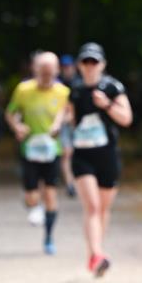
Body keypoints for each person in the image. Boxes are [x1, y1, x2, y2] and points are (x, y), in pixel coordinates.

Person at [67, 43, 133, 277]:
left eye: (94, 62)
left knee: (103, 210)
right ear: (79, 65)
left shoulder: (113, 87)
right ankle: (97, 254)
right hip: (83, 155)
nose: (90, 66)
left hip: (107, 155)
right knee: (92, 207)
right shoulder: (74, 91)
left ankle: (95, 254)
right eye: (85, 61)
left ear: (102, 64)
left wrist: (106, 104)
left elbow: (126, 118)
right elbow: (70, 120)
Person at [5, 52, 69, 254]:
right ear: (35, 71)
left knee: (50, 194)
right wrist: (17, 127)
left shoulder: (63, 92)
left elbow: (68, 112)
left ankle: (49, 237)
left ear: (57, 71)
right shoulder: (24, 90)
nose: (47, 78)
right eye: (43, 73)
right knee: (32, 197)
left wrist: (60, 124)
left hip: (52, 149)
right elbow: (10, 113)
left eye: (51, 74)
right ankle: (32, 203)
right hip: (29, 149)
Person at [59, 54, 77, 197]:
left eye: (68, 66)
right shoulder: (57, 84)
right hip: (63, 122)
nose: (67, 69)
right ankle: (70, 184)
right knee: (67, 153)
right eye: (64, 67)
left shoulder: (79, 82)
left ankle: (76, 182)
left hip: (78, 122)